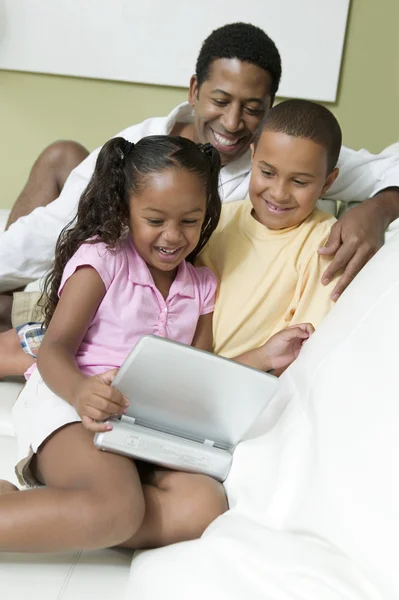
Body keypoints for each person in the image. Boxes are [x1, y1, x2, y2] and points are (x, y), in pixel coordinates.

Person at [0, 134, 313, 553]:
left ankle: (48, 511)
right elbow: (53, 349)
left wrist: (263, 356)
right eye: (155, 220)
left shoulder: (201, 286)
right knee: (116, 507)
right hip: (74, 404)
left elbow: (197, 371)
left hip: (146, 422)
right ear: (126, 210)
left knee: (203, 506)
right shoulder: (102, 259)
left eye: (189, 220)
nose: (172, 236)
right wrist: (79, 391)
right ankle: (91, 510)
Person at [1, 22, 399, 332]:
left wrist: (378, 209)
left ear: (270, 108)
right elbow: (49, 233)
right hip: (94, 279)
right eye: (220, 101)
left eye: (252, 108)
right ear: (195, 91)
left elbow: (389, 166)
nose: (232, 122)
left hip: (140, 299)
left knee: (65, 158)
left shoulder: (282, 155)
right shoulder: (139, 144)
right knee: (64, 157)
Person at [200, 99, 344, 359]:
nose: (278, 193)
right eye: (267, 173)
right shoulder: (217, 219)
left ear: (327, 183)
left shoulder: (325, 243)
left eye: (299, 181)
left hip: (250, 386)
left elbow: (304, 350)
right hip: (178, 373)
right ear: (253, 157)